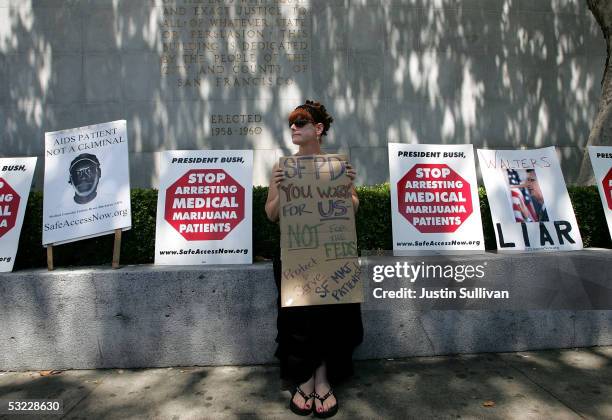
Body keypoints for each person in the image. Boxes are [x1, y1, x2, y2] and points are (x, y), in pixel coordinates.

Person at [265, 100, 363, 418]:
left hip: (331, 257)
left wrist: (344, 187)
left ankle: (323, 380)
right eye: (291, 122)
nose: (293, 127)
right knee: (298, 321)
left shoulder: (335, 167)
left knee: (329, 319)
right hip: (295, 256)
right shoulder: (282, 168)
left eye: (301, 122)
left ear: (318, 129)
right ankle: (304, 380)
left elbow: (354, 207)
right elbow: (271, 214)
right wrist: (281, 191)